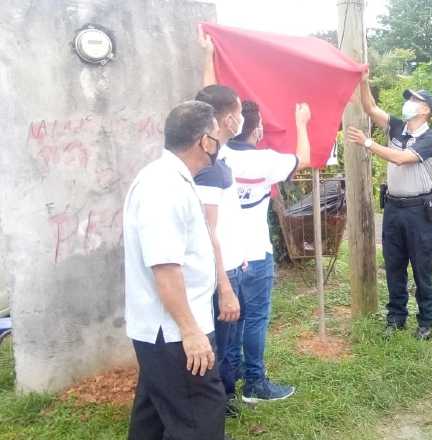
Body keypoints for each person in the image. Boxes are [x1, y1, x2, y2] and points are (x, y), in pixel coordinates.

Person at [200, 29, 313, 403]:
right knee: (256, 320)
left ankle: (226, 392)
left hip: (225, 258)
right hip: (257, 254)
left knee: (226, 325)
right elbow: (305, 158)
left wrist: (208, 58)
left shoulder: (214, 152)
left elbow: (207, 110)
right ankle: (256, 384)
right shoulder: (267, 162)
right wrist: (301, 123)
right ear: (257, 129)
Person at [123, 101, 226, 439]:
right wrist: (192, 333)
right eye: (217, 136)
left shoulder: (171, 179)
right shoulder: (163, 187)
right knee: (200, 421)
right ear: (204, 141)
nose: (219, 143)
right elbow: (165, 269)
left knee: (152, 418)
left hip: (167, 332)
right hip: (174, 333)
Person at [347, 71, 432, 340]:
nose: (408, 102)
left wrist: (368, 143)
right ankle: (396, 316)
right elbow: (370, 108)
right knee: (394, 264)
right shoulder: (398, 126)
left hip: (418, 211)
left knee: (421, 266)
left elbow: (401, 158)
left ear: (426, 111)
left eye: (414, 100)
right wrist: (364, 82)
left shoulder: (430, 139)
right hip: (393, 208)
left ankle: (426, 320)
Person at [193, 84, 244, 414]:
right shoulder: (209, 169)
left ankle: (223, 396)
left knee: (228, 343)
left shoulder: (220, 158)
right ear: (228, 119)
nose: (242, 118)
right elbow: (207, 230)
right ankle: (214, 404)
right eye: (239, 112)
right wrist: (224, 284)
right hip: (219, 274)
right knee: (219, 345)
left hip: (232, 266)